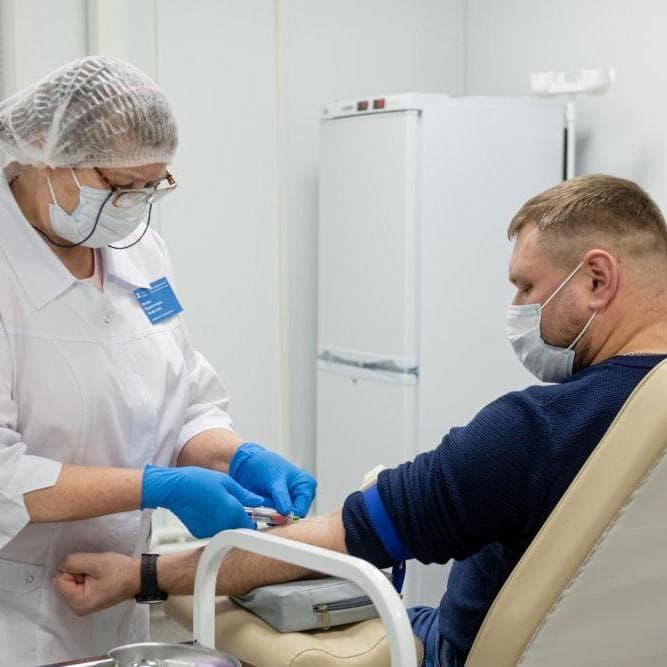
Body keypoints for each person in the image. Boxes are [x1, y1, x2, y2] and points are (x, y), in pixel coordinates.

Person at [55, 174, 667, 666]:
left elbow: (339, 539)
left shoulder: (532, 431)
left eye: (526, 287)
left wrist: (141, 575)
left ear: (596, 279)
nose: (517, 309)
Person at [0, 56, 316, 666]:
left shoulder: (139, 251)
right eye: (120, 186)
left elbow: (182, 395)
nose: (134, 206)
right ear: (46, 157)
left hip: (111, 595)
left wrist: (233, 456)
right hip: (13, 613)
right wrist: (155, 486)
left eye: (152, 186)